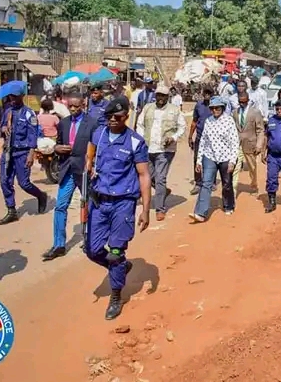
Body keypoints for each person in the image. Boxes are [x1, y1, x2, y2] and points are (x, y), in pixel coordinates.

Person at [85, 96, 151, 320]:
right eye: (109, 116)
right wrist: (89, 165)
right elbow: (90, 152)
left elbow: (143, 175)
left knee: (114, 253)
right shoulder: (100, 134)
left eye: (118, 117)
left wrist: (146, 209)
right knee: (92, 250)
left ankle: (116, 295)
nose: (113, 120)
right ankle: (122, 267)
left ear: (126, 117)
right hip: (99, 201)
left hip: (123, 203)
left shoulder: (135, 142)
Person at [42, 94, 99, 261]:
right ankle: (59, 244)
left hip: (84, 171)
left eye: (77, 106)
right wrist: (57, 148)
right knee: (60, 206)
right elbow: (58, 142)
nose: (73, 109)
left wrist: (93, 165)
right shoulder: (63, 123)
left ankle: (90, 239)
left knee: (88, 205)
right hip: (67, 169)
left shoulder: (92, 123)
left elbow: (97, 148)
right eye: (71, 106)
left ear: (83, 104)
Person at [0, 85, 49, 225]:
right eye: (11, 96)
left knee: (24, 183)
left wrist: (31, 154)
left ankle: (40, 195)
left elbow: (33, 135)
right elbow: (0, 130)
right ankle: (11, 210)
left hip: (22, 152)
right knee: (4, 180)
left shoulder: (29, 114)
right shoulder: (7, 112)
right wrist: (3, 128)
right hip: (8, 151)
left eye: (15, 97)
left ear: (21, 97)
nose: (12, 99)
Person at [136, 85, 186, 221]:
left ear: (167, 97)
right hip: (148, 148)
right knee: (147, 175)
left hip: (165, 150)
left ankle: (160, 209)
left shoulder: (174, 110)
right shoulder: (148, 108)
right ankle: (163, 191)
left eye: (163, 96)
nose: (160, 98)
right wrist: (141, 139)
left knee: (160, 178)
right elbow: (140, 125)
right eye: (158, 95)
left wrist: (173, 137)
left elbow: (182, 127)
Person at [190, 96, 238, 222]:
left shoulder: (229, 121)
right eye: (212, 108)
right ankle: (200, 212)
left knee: (227, 183)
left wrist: (232, 161)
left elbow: (234, 142)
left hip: (225, 157)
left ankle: (229, 205)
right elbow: (203, 141)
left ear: (222, 108)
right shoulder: (208, 121)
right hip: (210, 156)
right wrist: (199, 160)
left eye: (217, 108)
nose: (215, 110)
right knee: (206, 183)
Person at [232, 91, 265, 197]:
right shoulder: (235, 112)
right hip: (237, 144)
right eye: (240, 102)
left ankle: (254, 184)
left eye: (244, 102)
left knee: (252, 167)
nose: (241, 104)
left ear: (248, 101)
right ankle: (233, 191)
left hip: (251, 144)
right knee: (235, 168)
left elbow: (260, 130)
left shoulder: (255, 112)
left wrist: (259, 145)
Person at [188, 87, 215, 195]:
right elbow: (194, 121)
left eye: (209, 93)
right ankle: (198, 183)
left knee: (212, 159)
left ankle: (211, 182)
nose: (207, 95)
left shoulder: (216, 106)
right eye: (206, 93)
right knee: (196, 160)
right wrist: (190, 136)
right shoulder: (198, 105)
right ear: (203, 94)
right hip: (199, 137)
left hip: (213, 138)